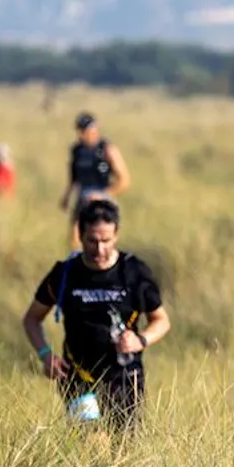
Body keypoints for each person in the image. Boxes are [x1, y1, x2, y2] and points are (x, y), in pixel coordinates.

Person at [21, 199, 169, 434]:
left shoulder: (134, 272)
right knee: (88, 443)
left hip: (124, 376)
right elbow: (31, 319)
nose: (99, 250)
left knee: (123, 451)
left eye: (106, 241)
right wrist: (45, 355)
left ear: (116, 235)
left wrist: (140, 340)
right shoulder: (64, 273)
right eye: (92, 241)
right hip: (79, 376)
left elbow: (161, 320)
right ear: (80, 234)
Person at [59, 113, 130, 248]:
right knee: (75, 239)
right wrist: (67, 196)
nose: (81, 135)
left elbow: (124, 181)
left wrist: (103, 195)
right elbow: (73, 176)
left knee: (101, 239)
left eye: (84, 131)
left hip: (102, 199)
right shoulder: (77, 150)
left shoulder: (107, 150)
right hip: (82, 198)